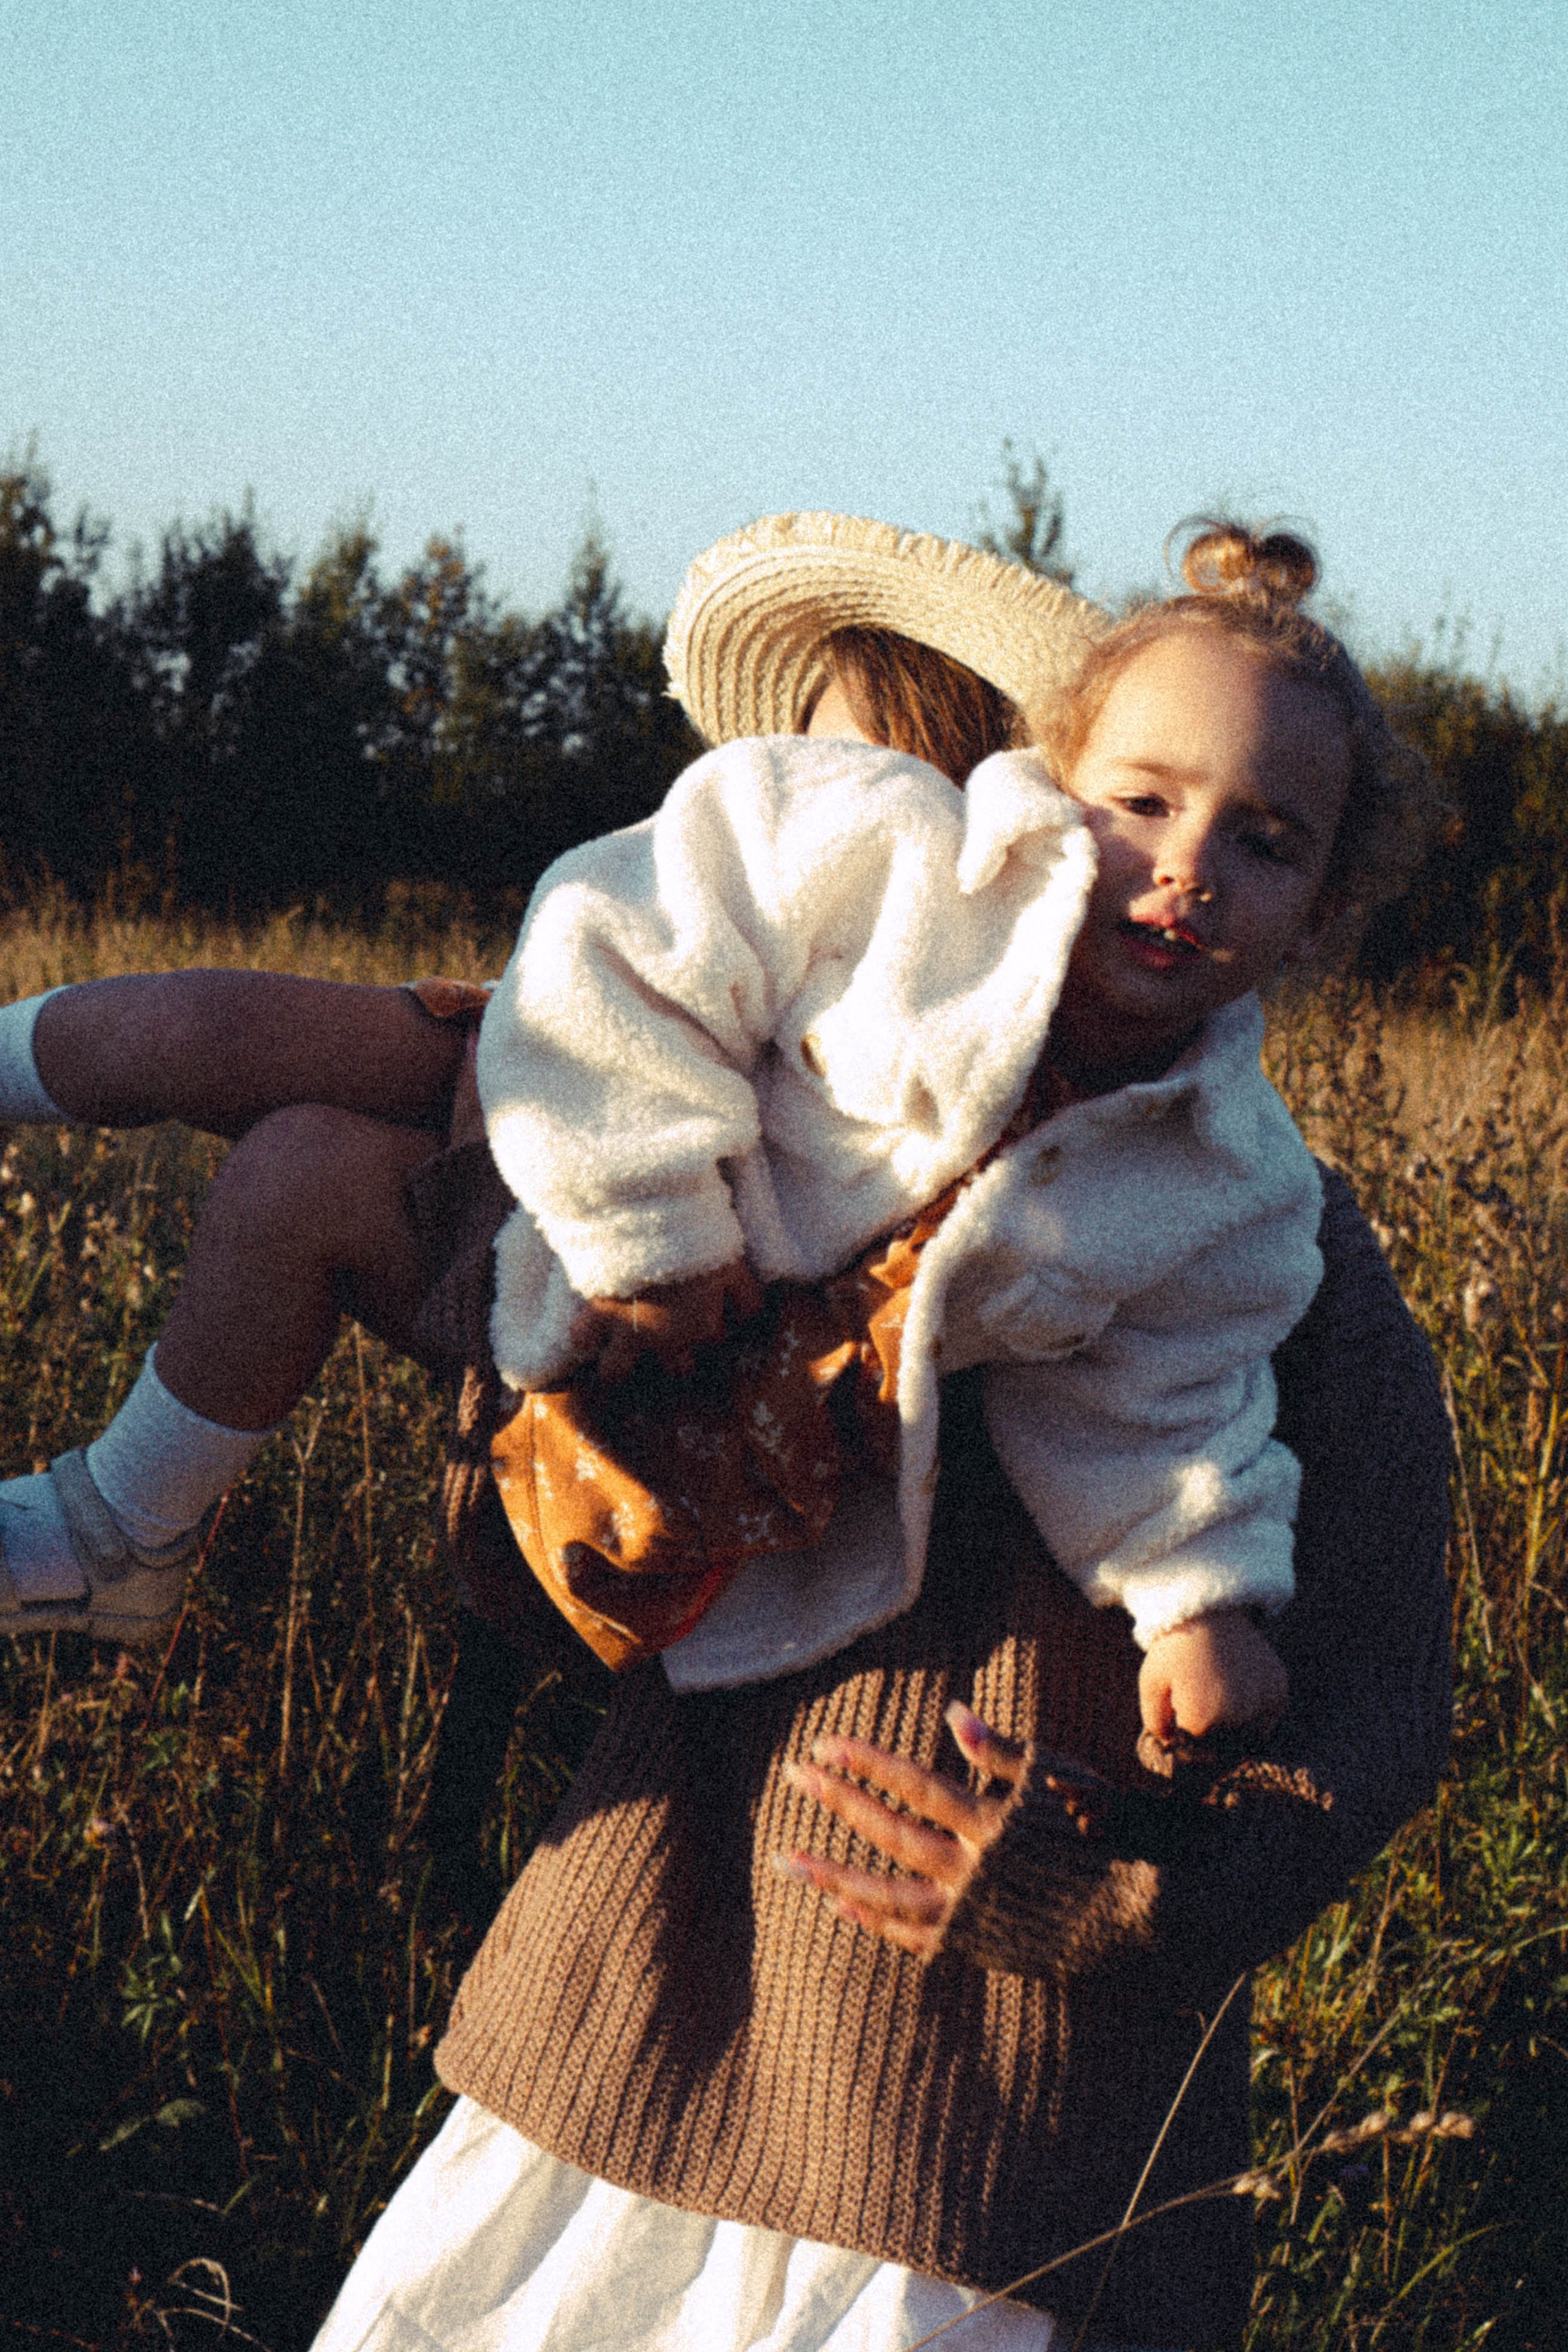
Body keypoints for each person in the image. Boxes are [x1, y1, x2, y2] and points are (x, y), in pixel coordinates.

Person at [301, 512, 1452, 2352]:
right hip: (638, 2013)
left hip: (989, 2135)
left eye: (1255, 836)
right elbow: (532, 1582)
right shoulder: (735, 1142)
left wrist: (1101, 1900)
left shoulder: (1268, 1237)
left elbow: (1382, 1701)